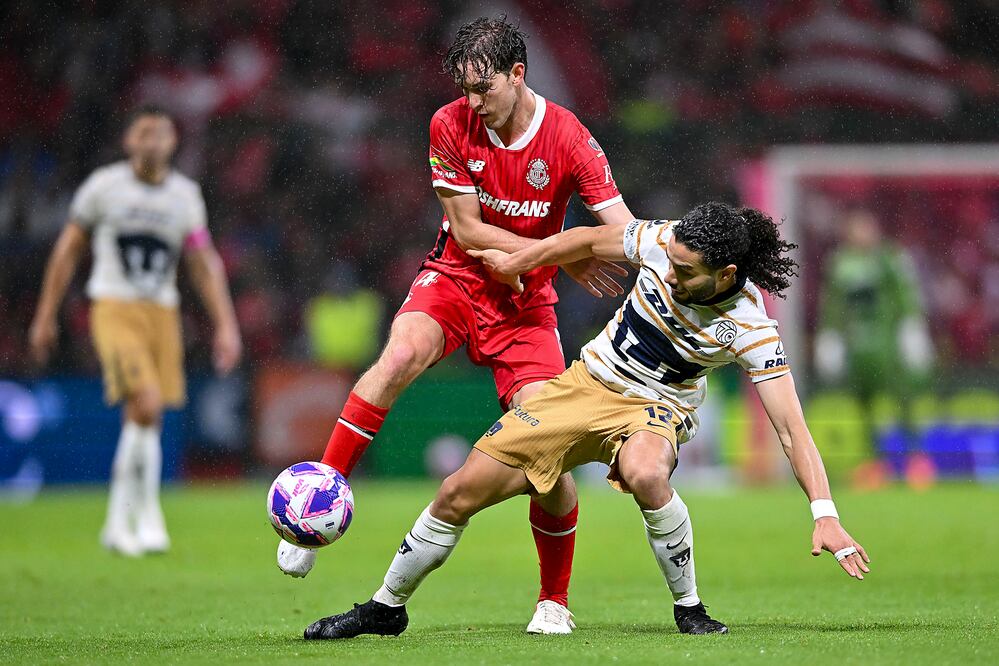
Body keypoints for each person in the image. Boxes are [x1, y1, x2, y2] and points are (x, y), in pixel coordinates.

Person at [302, 202, 871, 640]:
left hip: (658, 407)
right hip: (585, 383)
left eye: (686, 272)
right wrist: (522, 260)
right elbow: (584, 240)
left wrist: (825, 514)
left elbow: (792, 428)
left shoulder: (751, 327)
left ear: (725, 275)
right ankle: (385, 608)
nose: (669, 273)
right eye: (670, 261)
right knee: (458, 492)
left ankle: (690, 609)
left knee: (647, 473)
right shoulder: (660, 240)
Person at [277, 17, 635, 635]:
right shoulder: (449, 124)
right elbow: (468, 231)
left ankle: (554, 599)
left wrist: (563, 252)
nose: (473, 103)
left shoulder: (571, 139)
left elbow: (624, 232)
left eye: (484, 89)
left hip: (527, 307)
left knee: (545, 456)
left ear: (517, 75)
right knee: (397, 358)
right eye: (465, 89)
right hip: (458, 279)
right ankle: (317, 505)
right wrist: (564, 251)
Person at [28, 105, 242, 556]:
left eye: (161, 133)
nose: (152, 141)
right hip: (114, 306)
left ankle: (119, 521)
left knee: (149, 415)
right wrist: (46, 313)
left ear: (173, 143)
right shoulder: (104, 187)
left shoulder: (184, 195)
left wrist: (225, 324)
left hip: (162, 311)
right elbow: (68, 249)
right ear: (129, 142)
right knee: (144, 403)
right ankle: (145, 515)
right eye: (143, 133)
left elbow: (202, 263)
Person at [814, 208, 935, 489]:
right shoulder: (840, 263)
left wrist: (912, 328)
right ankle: (875, 463)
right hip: (859, 349)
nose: (862, 234)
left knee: (903, 399)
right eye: (856, 228)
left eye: (866, 227)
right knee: (863, 405)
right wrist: (830, 337)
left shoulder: (889, 259)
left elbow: (906, 294)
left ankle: (916, 460)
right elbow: (833, 304)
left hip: (889, 345)